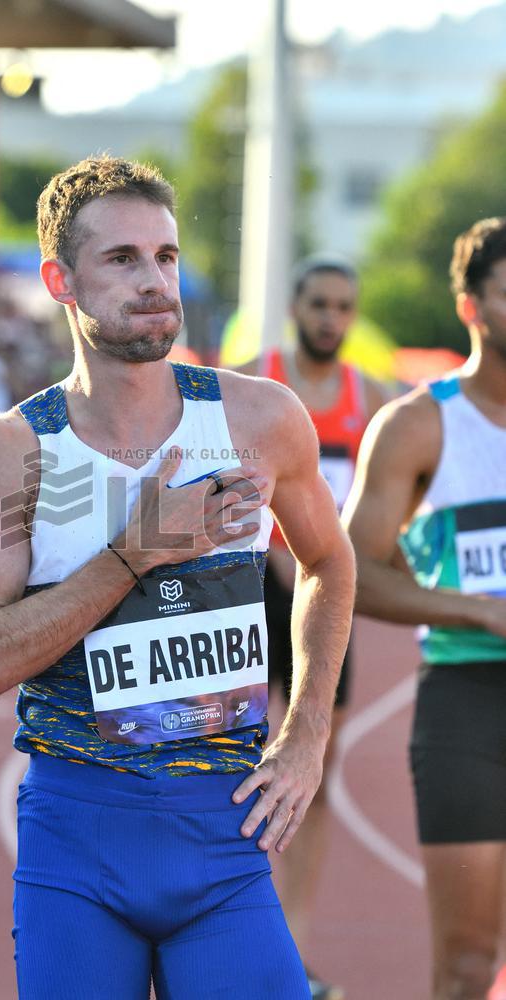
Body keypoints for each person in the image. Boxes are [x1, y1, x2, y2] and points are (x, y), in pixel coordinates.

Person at [0, 155, 356, 999]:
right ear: (61, 280)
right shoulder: (12, 453)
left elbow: (329, 562)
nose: (155, 281)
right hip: (76, 845)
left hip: (224, 835)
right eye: (121, 260)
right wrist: (136, 550)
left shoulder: (257, 420)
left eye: (164, 256)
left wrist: (308, 732)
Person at [342, 217, 506, 1000]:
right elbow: (350, 572)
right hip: (468, 708)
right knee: (469, 961)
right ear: (471, 307)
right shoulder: (417, 425)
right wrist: (474, 610)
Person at [238, 256, 386, 999]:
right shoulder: (249, 383)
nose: (331, 317)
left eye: (343, 306)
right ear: (294, 305)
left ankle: (292, 946)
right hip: (252, 588)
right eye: (319, 303)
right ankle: (237, 930)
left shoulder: (373, 399)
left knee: (313, 779)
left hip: (326, 599)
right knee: (233, 768)